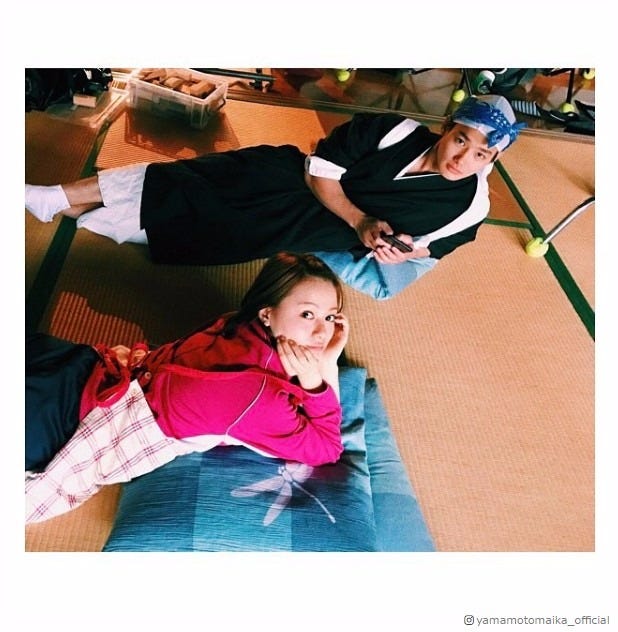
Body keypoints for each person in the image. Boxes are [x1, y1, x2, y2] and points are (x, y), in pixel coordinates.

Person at [25, 95, 524, 299]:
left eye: (481, 154)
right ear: (447, 127)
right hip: (295, 178)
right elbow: (321, 171)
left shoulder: (471, 207)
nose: (464, 158)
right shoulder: (394, 130)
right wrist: (359, 221)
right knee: (191, 178)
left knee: (204, 228)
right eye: (461, 140)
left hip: (311, 226)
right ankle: (57, 195)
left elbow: (428, 250)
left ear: (493, 159)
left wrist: (398, 251)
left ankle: (63, 206)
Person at [25, 252, 349, 524]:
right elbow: (327, 447)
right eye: (307, 314)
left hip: (82, 366)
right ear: (267, 313)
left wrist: (326, 361)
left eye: (331, 317)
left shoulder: (235, 322)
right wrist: (319, 376)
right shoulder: (258, 399)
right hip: (73, 417)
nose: (322, 332)